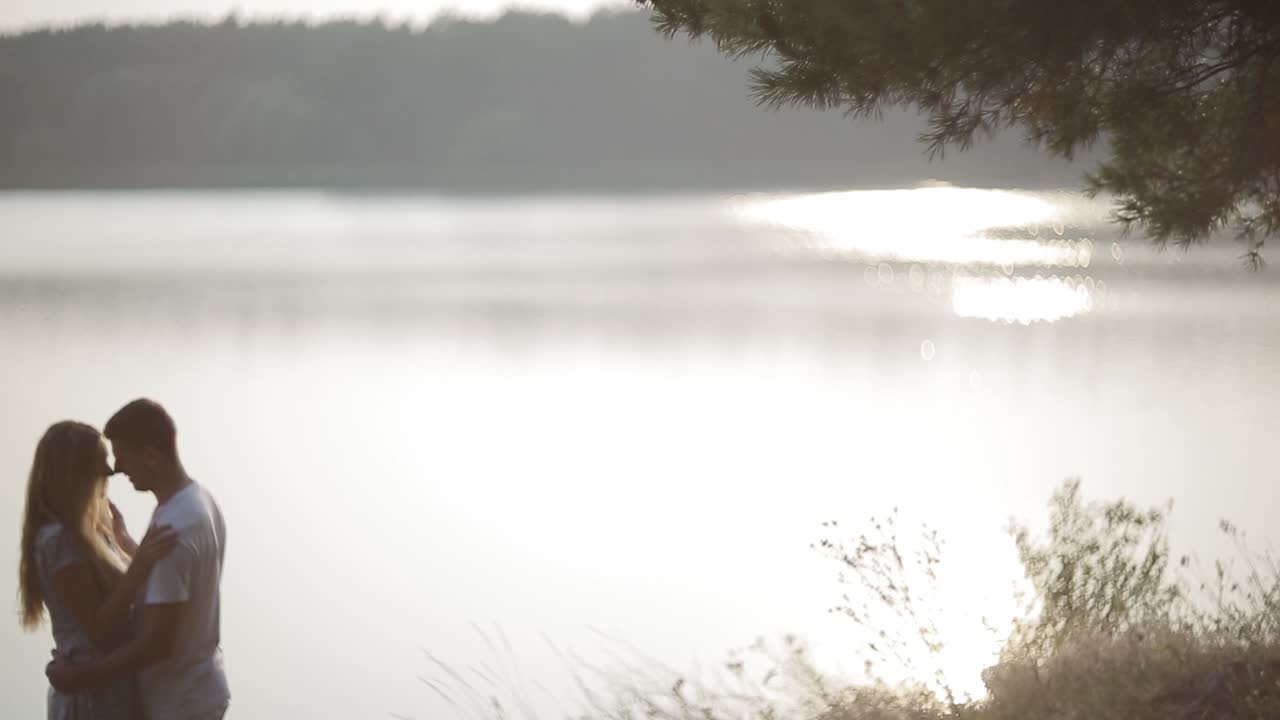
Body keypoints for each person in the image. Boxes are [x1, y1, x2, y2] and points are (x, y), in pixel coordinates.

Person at [46, 399, 231, 720]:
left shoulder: (173, 528)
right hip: (201, 689)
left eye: (121, 456)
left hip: (177, 703)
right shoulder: (199, 501)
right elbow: (175, 581)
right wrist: (128, 543)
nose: (116, 468)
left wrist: (83, 676)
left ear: (151, 456)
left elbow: (157, 643)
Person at [18, 420, 178, 720]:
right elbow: (98, 629)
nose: (110, 470)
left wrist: (126, 544)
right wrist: (141, 562)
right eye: (99, 462)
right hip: (92, 701)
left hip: (114, 691)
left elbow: (128, 592)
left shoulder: (96, 532)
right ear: (71, 473)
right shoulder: (58, 540)